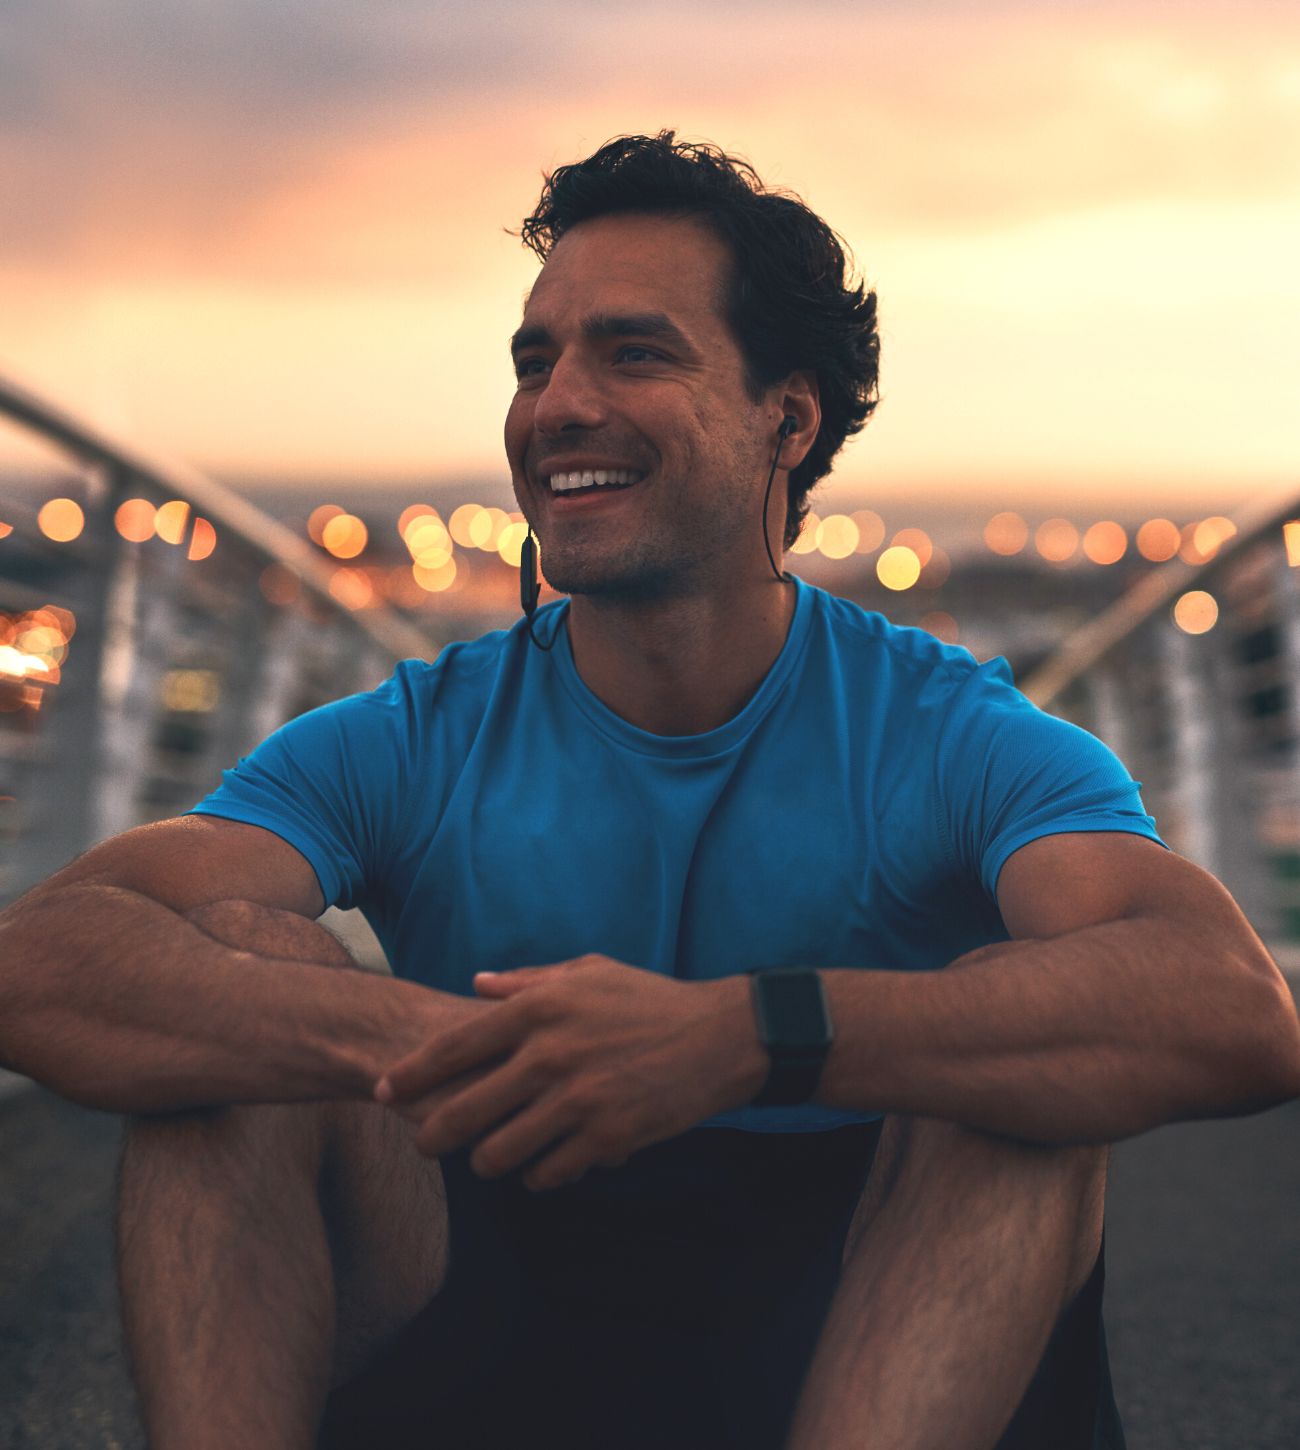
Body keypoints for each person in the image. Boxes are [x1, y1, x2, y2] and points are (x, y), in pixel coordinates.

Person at [3, 132, 1298, 1450]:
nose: (555, 403)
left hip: (865, 1327)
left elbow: (1233, 1005)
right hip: (491, 1306)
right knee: (236, 975)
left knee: (1018, 1073)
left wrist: (742, 1034)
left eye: (633, 350)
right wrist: (424, 1042)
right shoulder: (417, 733)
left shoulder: (947, 730)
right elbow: (43, 959)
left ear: (786, 417)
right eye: (534, 358)